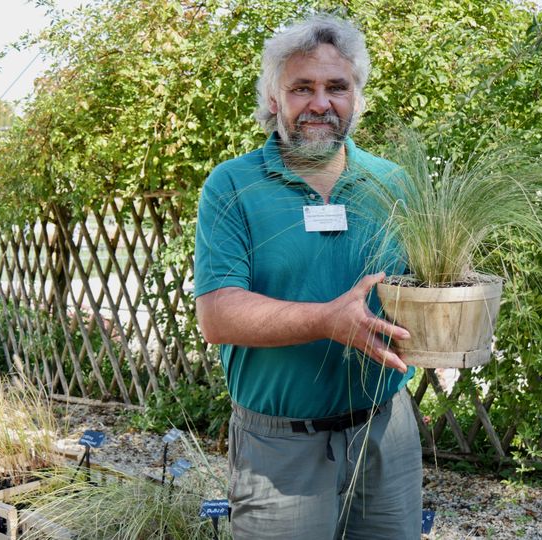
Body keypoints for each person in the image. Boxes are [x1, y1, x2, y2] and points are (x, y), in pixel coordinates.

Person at [194, 14, 422, 540]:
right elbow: (218, 314)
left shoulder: (393, 184)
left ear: (356, 96)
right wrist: (328, 320)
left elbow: (426, 288)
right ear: (274, 97)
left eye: (336, 87)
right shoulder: (231, 186)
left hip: (385, 431)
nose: (321, 103)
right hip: (279, 449)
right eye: (302, 87)